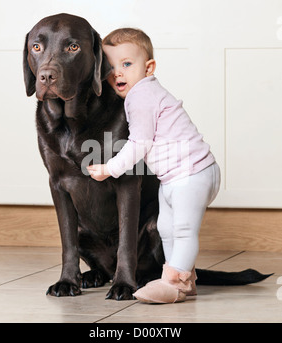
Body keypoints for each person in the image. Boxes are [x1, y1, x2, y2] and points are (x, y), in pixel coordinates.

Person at [86, 28, 221, 304]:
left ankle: (174, 283)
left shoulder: (142, 95)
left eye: (126, 64)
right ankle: (182, 279)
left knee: (182, 229)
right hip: (173, 177)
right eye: (111, 67)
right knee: (166, 227)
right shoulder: (142, 93)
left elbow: (139, 143)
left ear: (149, 68)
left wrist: (109, 168)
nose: (118, 73)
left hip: (192, 172)